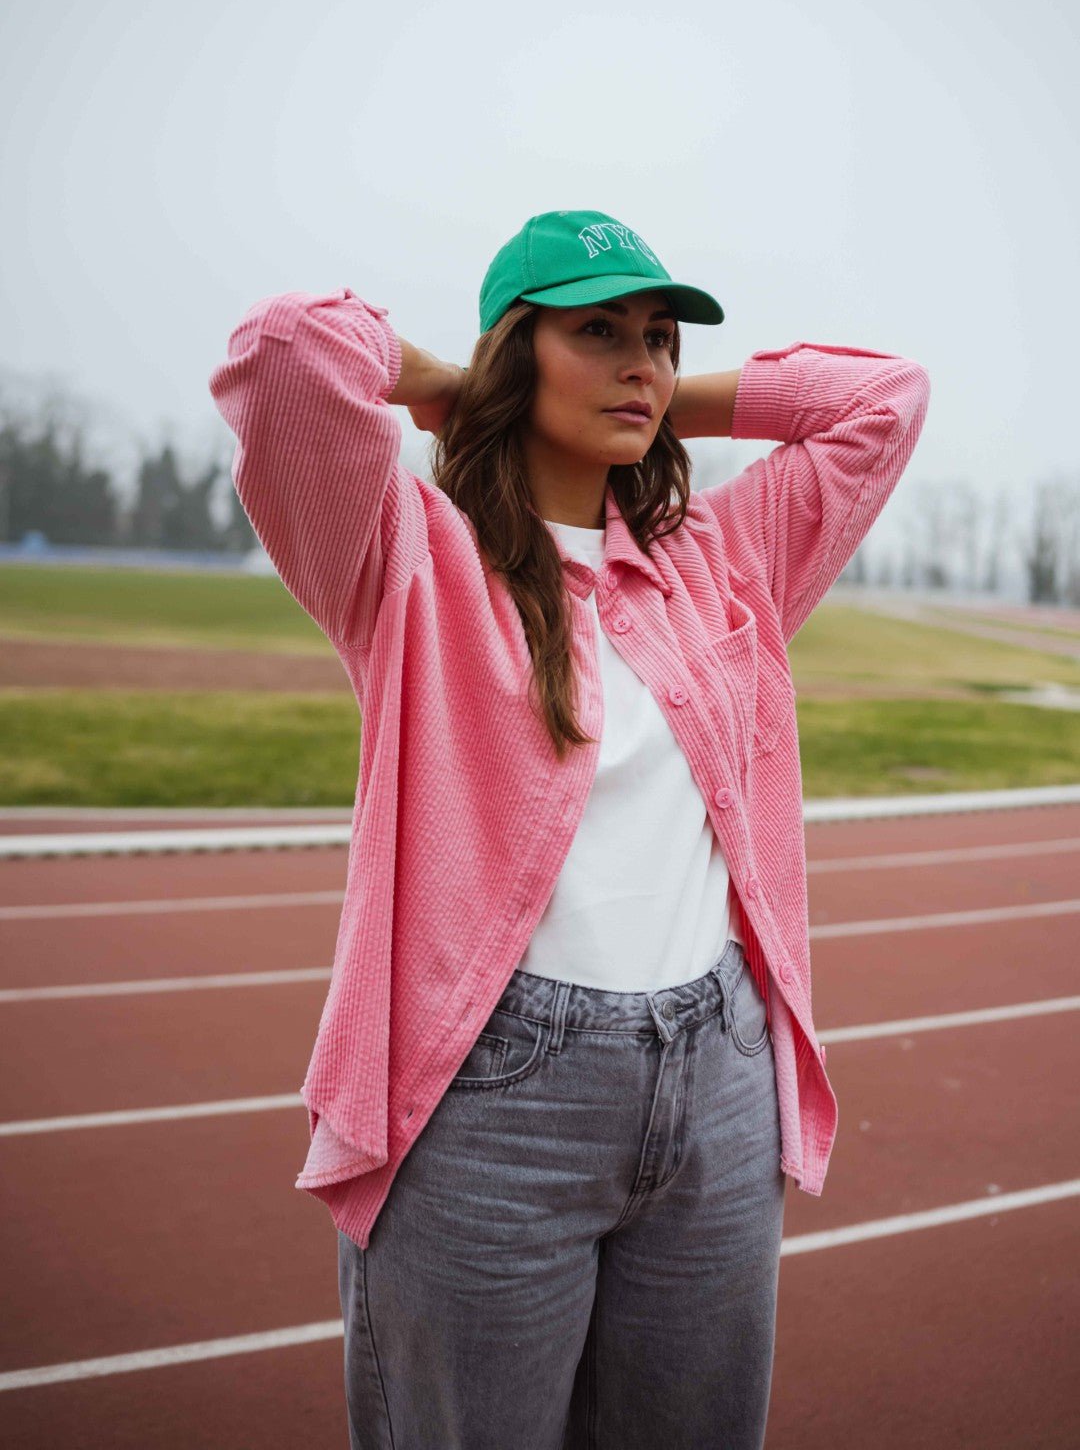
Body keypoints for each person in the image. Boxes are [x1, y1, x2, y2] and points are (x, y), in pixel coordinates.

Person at [208, 208, 931, 1449]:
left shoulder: (723, 560)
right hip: (492, 1102)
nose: (642, 361)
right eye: (599, 331)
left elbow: (886, 401)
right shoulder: (410, 560)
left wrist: (655, 398)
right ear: (515, 348)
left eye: (657, 336)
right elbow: (283, 354)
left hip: (716, 1085)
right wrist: (455, 387)